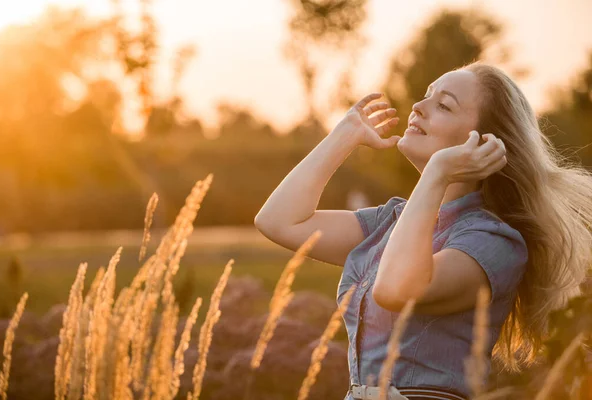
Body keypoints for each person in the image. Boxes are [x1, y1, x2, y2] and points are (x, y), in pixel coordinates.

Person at [253, 61, 592, 400]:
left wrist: (438, 172)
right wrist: (343, 136)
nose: (417, 106)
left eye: (443, 105)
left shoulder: (494, 242)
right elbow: (279, 221)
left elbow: (395, 290)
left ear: (484, 143)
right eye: (426, 96)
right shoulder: (390, 222)